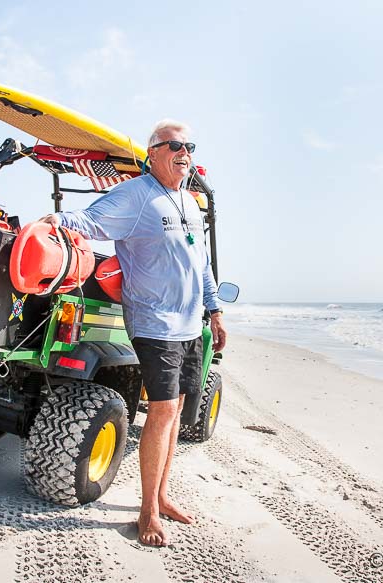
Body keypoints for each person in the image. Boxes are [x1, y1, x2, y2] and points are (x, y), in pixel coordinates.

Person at [41, 119, 226, 547]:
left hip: (189, 322)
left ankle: (162, 495)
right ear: (153, 153)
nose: (185, 153)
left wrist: (214, 311)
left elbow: (201, 266)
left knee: (176, 410)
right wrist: (54, 221)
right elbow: (91, 221)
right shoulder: (137, 194)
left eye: (190, 146)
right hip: (154, 322)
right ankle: (147, 513)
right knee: (161, 412)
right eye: (175, 145)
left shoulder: (190, 204)